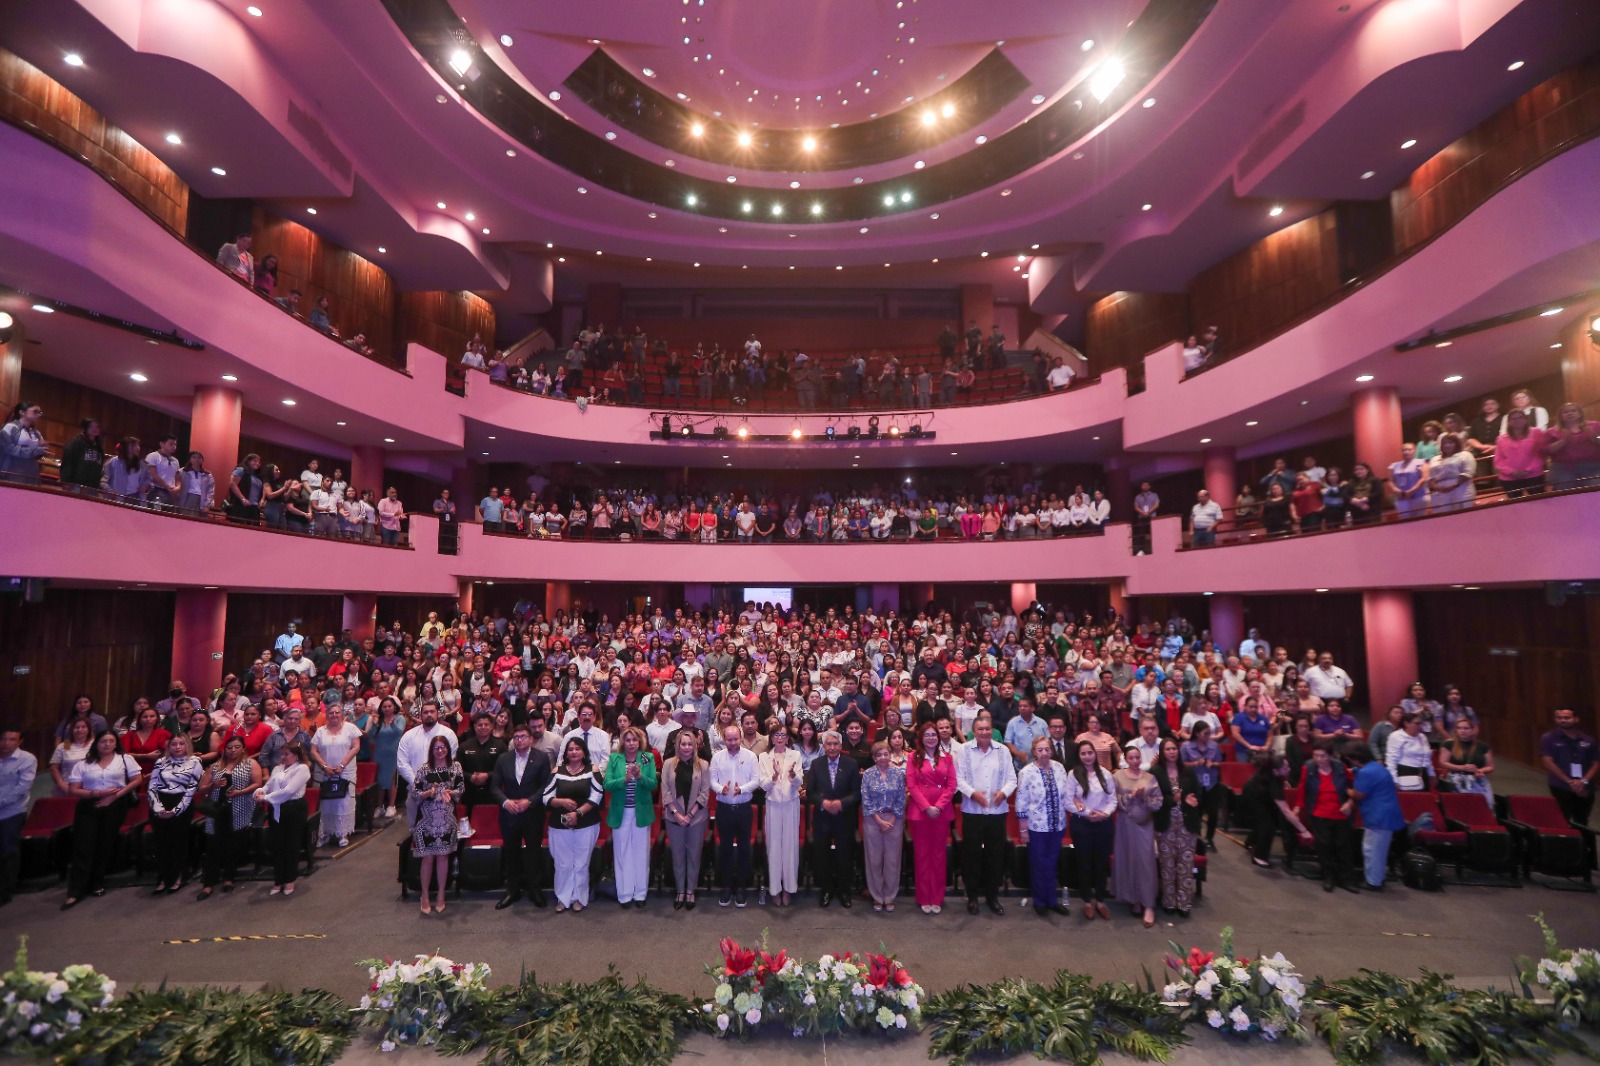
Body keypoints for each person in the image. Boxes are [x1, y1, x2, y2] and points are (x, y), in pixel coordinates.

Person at [61, 731, 142, 910]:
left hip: (115, 805)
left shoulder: (124, 759)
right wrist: (97, 793)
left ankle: (97, 882)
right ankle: (75, 891)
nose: (107, 744)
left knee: (104, 845)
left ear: (116, 743)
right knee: (83, 846)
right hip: (89, 805)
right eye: (103, 741)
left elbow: (137, 780)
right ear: (96, 743)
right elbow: (73, 789)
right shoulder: (83, 763)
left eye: (111, 741)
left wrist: (115, 796)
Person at [956, 717, 1017, 915]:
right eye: (980, 729)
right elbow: (958, 779)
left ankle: (992, 896)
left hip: (997, 812)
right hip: (972, 811)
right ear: (973, 732)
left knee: (995, 855)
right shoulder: (964, 750)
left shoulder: (1003, 750)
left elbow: (1012, 779)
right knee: (972, 855)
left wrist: (1004, 793)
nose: (984, 732)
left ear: (993, 731)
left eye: (987, 729)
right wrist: (973, 794)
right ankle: (972, 897)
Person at [490, 723, 552, 910]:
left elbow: (546, 786)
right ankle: (512, 890)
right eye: (516, 737)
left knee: (533, 853)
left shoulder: (541, 758)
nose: (519, 740)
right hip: (509, 814)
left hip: (532, 813)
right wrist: (505, 802)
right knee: (511, 853)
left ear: (531, 739)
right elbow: (494, 786)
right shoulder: (503, 758)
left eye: (523, 736)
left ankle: (535, 890)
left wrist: (530, 801)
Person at [544, 738, 603, 913]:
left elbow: (597, 795)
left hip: (586, 822)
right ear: (566, 753)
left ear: (584, 752)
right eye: (570, 749)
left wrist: (578, 813)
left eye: (578, 749)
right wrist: (560, 802)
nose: (574, 752)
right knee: (563, 864)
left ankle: (579, 897)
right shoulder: (557, 771)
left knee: (581, 863)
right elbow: (546, 797)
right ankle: (563, 898)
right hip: (559, 824)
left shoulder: (593, 770)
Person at [805, 729, 861, 908]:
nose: (832, 747)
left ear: (841, 745)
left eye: (835, 744)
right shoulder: (816, 764)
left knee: (845, 854)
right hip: (822, 817)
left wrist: (841, 803)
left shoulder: (851, 764)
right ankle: (827, 889)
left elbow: (857, 792)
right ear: (823, 746)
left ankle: (844, 891)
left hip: (844, 816)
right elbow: (810, 792)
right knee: (822, 855)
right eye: (828, 744)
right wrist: (823, 803)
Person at [1015, 735, 1070, 916]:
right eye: (1040, 750)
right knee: (1039, 864)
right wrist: (1023, 829)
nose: (1044, 753)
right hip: (1036, 826)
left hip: (1057, 824)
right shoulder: (1027, 772)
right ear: (1034, 752)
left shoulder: (1059, 768)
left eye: (1047, 749)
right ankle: (1039, 901)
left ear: (1052, 751)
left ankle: (1052, 900)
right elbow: (1021, 801)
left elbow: (1066, 795)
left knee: (1052, 863)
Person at [603, 727, 657, 908]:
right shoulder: (614, 758)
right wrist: (624, 780)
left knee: (641, 854)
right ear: (623, 742)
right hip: (621, 812)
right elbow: (607, 784)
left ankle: (640, 894)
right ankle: (625, 894)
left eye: (634, 740)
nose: (631, 743)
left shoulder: (647, 758)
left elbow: (653, 784)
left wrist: (640, 777)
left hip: (641, 812)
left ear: (639, 741)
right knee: (622, 853)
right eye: (628, 740)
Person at [907, 721, 956, 914]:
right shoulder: (913, 757)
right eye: (926, 735)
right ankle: (923, 897)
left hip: (941, 813)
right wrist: (927, 807)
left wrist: (939, 806)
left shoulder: (947, 758)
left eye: (933, 734)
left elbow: (951, 785)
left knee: (938, 855)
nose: (930, 738)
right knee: (922, 855)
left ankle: (937, 897)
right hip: (921, 813)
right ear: (921, 738)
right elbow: (912, 785)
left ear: (938, 737)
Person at [410, 735, 462, 915]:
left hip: (447, 818)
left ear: (448, 748)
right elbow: (415, 793)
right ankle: (424, 895)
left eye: (443, 747)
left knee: (443, 857)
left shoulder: (456, 766)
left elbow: (461, 789)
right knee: (428, 858)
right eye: (436, 748)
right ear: (431, 750)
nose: (440, 751)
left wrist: (450, 792)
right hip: (427, 819)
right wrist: (428, 793)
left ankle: (441, 894)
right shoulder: (424, 769)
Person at [146, 733, 203, 895]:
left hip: (181, 803)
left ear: (187, 745)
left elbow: (191, 789)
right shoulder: (160, 762)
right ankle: (163, 878)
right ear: (168, 746)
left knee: (178, 842)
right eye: (174, 744)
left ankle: (179, 876)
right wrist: (158, 808)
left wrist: (175, 810)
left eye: (181, 744)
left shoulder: (195, 762)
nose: (178, 747)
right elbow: (152, 786)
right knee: (161, 843)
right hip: (160, 802)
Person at [1065, 738, 1116, 920]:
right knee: (1084, 863)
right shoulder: (1073, 774)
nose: (1087, 756)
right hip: (1082, 824)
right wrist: (1087, 813)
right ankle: (1087, 901)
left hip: (1103, 823)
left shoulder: (1105, 774)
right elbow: (1068, 801)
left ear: (1095, 754)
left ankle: (1100, 901)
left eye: (1090, 753)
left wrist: (1104, 814)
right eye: (1083, 753)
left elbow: (1112, 800)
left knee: (1101, 864)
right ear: (1079, 756)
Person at [1112, 743, 1162, 927]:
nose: (1135, 761)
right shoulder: (1117, 776)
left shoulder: (1150, 778)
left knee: (1145, 861)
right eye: (1131, 758)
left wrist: (1143, 798)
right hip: (1125, 824)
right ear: (1125, 759)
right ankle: (1134, 899)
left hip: (1144, 824)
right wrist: (1131, 796)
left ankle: (1149, 904)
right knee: (1129, 859)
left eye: (1137, 757)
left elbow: (1158, 803)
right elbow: (1113, 800)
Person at [709, 723, 759, 907]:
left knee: (745, 849)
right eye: (729, 739)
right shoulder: (717, 757)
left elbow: (756, 780)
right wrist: (720, 789)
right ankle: (727, 887)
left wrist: (742, 789)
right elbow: (712, 781)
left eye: (735, 739)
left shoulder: (751, 756)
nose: (732, 742)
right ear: (724, 740)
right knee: (725, 849)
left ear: (741, 738)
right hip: (724, 809)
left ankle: (741, 888)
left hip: (744, 809)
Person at [254, 737, 309, 897]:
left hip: (294, 808)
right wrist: (261, 791)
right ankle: (278, 880)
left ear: (296, 755)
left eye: (286, 754)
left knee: (291, 844)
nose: (283, 757)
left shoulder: (302, 769)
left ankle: (290, 879)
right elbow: (269, 785)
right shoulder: (278, 768)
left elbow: (289, 791)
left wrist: (266, 798)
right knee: (277, 845)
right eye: (282, 754)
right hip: (277, 808)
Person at [661, 730, 709, 911]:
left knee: (694, 855)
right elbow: (665, 791)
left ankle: (690, 891)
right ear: (678, 745)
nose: (687, 747)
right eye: (683, 744)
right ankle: (680, 891)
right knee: (678, 856)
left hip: (696, 818)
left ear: (695, 746)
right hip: (674, 817)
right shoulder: (668, 764)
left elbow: (705, 793)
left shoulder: (703, 765)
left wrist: (690, 815)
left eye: (690, 744)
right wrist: (676, 813)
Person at [1298, 743, 1356, 892]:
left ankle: (1346, 879)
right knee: (1324, 847)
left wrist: (1350, 803)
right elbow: (1302, 789)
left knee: (1344, 847)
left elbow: (1354, 786)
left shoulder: (1340, 767)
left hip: (1340, 813)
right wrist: (1298, 807)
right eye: (1316, 755)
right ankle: (1328, 877)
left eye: (1323, 756)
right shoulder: (1308, 768)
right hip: (1319, 813)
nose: (1319, 759)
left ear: (1330, 756)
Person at [1154, 737, 1201, 917]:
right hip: (1166, 822)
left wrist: (1191, 800)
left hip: (1187, 822)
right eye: (1168, 749)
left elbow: (1198, 794)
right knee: (1167, 864)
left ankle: (1184, 903)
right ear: (1162, 752)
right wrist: (1173, 800)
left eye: (1174, 748)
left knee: (1185, 864)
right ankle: (1169, 901)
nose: (1172, 752)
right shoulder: (1156, 772)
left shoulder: (1188, 771)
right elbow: (1155, 799)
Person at [757, 724, 803, 906]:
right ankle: (775, 889)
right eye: (776, 735)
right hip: (773, 804)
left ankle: (788, 888)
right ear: (771, 737)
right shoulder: (764, 757)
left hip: (791, 804)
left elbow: (799, 782)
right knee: (774, 846)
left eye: (783, 735)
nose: (780, 738)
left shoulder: (795, 755)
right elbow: (763, 785)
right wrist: (775, 776)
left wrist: (792, 774)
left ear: (788, 737)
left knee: (790, 847)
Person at [860, 741, 907, 912]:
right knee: (874, 859)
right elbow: (866, 799)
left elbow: (902, 798)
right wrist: (879, 821)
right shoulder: (868, 774)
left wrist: (892, 820)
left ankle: (889, 896)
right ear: (874, 757)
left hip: (894, 819)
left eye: (885, 754)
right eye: (879, 755)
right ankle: (877, 896)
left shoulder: (898, 774)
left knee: (892, 860)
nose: (882, 757)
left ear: (890, 755)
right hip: (873, 820)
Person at [395, 699, 457, 826]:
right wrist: (418, 783)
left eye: (432, 712)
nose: (429, 714)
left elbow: (450, 761)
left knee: (440, 828)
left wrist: (433, 784)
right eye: (425, 712)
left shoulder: (448, 734)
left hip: (441, 791)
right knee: (415, 829)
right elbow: (402, 763)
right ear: (420, 715)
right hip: (415, 790)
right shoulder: (409, 735)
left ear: (438, 713)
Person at [1245, 753, 1311, 870]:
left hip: (1263, 794)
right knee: (1268, 825)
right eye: (1285, 768)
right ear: (1275, 771)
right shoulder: (1274, 782)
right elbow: (1285, 811)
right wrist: (1304, 830)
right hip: (1253, 796)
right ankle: (1259, 856)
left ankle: (1251, 842)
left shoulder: (1274, 774)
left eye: (1288, 766)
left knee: (1269, 819)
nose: (1289, 769)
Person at [311, 704, 361, 848]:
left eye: (337, 712)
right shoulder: (320, 731)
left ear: (342, 714)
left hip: (345, 771)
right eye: (331, 713)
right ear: (327, 715)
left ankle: (342, 833)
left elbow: (356, 747)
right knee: (327, 803)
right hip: (325, 772)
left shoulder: (350, 728)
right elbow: (313, 751)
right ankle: (326, 833)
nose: (334, 715)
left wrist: (342, 765)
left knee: (343, 802)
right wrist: (324, 766)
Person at [1539, 707, 1596, 827]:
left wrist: (1583, 781)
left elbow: (1596, 762)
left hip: (1584, 786)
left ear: (1576, 719)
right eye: (1559, 718)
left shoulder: (1588, 740)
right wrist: (1569, 781)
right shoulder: (1548, 738)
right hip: (1561, 785)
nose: (1563, 720)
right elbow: (1548, 762)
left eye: (1567, 717)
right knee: (1562, 819)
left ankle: (1583, 839)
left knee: (1582, 820)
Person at [0, 726, 38, 907]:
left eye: (12, 740)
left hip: (12, 811)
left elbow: (22, 788)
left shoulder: (27, 759)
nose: (6, 743)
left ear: (20, 741)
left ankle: (5, 891)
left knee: (8, 852)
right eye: (3, 739)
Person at [1542, 401, 1600, 489]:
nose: (1570, 413)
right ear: (1560, 416)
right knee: (1566, 490)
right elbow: (1545, 451)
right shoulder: (1552, 431)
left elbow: (1599, 438)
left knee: (1595, 488)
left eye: (1573, 410)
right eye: (1565, 412)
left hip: (1593, 466)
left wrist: (1595, 438)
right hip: (1563, 468)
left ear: (1580, 413)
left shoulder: (1595, 426)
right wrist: (1563, 441)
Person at [365, 697, 405, 818]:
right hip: (379, 753)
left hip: (393, 754)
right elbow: (370, 736)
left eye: (389, 706)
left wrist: (392, 725)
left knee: (391, 780)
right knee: (379, 781)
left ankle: (391, 806)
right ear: (381, 708)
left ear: (394, 707)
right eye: (384, 707)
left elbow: (399, 733)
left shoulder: (400, 718)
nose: (387, 709)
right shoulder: (378, 719)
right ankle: (380, 806)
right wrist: (374, 724)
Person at [1438, 717, 1494, 803]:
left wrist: (1481, 770)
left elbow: (1490, 766)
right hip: (1455, 780)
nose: (1462, 731)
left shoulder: (1483, 746)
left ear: (1473, 730)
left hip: (1477, 780)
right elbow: (1443, 762)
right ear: (1456, 730)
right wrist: (1461, 767)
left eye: (1466, 728)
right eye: (1459, 728)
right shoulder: (1448, 744)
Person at [1385, 712, 1435, 792]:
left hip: (1423, 773)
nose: (1420, 726)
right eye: (1417, 723)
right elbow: (1391, 760)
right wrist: (1394, 780)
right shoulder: (1396, 736)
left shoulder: (1422, 737)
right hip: (1406, 772)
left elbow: (1427, 758)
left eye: (1420, 723)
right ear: (1406, 723)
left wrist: (1431, 774)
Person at [0, 402, 50, 480]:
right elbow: (9, 449)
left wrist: (42, 450)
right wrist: (34, 450)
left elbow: (37, 454)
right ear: (22, 412)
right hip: (11, 471)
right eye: (35, 411)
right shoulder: (9, 427)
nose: (39, 415)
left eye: (40, 412)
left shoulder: (36, 432)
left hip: (31, 473)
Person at [1428, 434, 1476, 513]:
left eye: (1450, 443)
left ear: (1456, 444)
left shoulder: (1465, 455)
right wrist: (1437, 487)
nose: (1447, 445)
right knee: (1443, 516)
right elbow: (1430, 477)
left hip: (1461, 489)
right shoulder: (1434, 459)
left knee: (1462, 515)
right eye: (1444, 443)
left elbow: (1468, 472)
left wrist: (1454, 485)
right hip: (1440, 492)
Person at [60, 419, 106, 492]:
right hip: (76, 485)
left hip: (93, 487)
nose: (95, 429)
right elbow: (68, 461)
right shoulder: (76, 442)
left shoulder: (99, 448)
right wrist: (65, 480)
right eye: (91, 426)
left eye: (97, 427)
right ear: (85, 428)